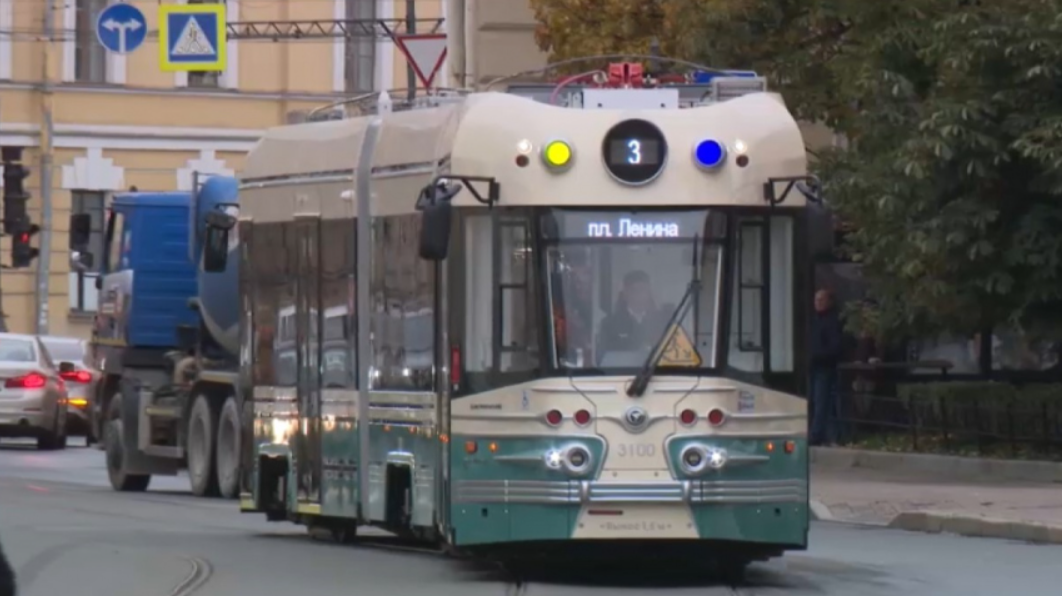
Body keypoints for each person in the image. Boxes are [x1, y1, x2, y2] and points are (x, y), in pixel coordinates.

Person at [598, 270, 666, 354]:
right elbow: (603, 357)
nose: (641, 295)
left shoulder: (663, 322)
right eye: (636, 290)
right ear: (626, 293)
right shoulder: (609, 324)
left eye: (644, 290)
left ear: (649, 293)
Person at [810, 288, 844, 446]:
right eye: (816, 300)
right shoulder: (814, 320)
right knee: (820, 402)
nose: (818, 303)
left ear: (829, 302)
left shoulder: (833, 321)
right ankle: (827, 435)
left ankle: (817, 435)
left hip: (824, 366)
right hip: (814, 365)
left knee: (822, 401)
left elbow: (835, 346)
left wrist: (817, 355)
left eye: (821, 300)